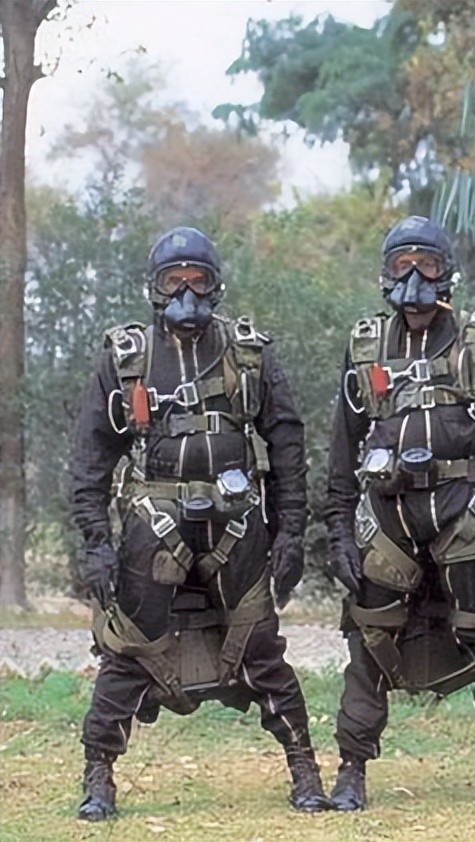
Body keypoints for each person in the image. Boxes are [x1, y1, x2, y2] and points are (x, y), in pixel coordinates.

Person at [70, 226, 330, 821]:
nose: (187, 295)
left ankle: (305, 768)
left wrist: (291, 531)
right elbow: (91, 455)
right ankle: (98, 776)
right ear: (154, 288)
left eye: (199, 280)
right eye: (174, 281)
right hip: (152, 524)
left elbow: (287, 444)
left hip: (237, 525)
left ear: (217, 286)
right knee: (129, 649)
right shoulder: (126, 359)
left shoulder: (249, 354)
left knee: (259, 644)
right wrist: (95, 542)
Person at [323, 215, 475, 811]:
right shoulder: (366, 346)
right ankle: (350, 770)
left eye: (426, 265)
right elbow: (343, 445)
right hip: (387, 515)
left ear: (447, 272)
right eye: (401, 266)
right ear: (384, 275)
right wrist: (338, 529)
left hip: (463, 511)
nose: (414, 281)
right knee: (369, 635)